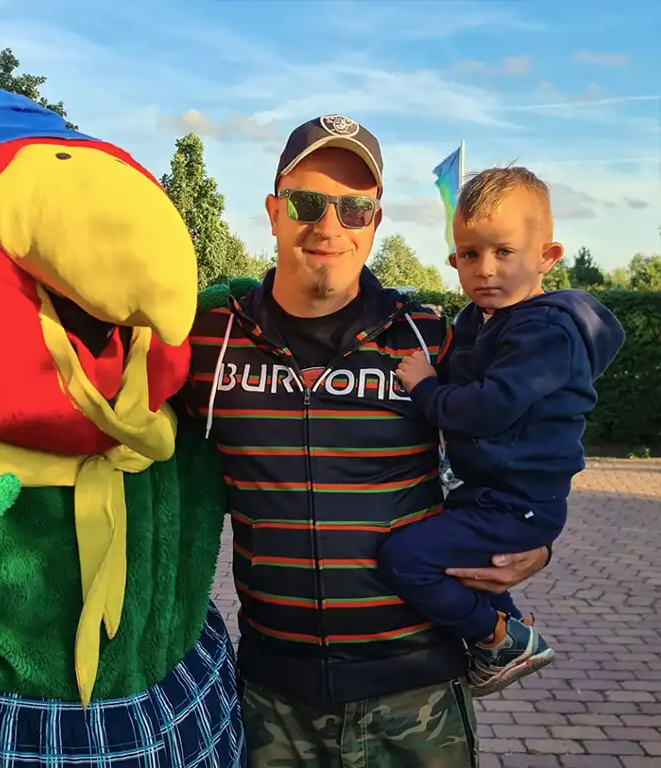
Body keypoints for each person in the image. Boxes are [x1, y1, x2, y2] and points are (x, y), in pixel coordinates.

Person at [180, 115, 551, 767]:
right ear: (273, 212)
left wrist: (535, 539)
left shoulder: (429, 336)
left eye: (354, 210)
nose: (329, 227)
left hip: (418, 697)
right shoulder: (208, 340)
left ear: (375, 223)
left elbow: (515, 447)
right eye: (307, 203)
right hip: (274, 701)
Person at [380, 166, 625, 698]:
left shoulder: (547, 330)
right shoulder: (480, 319)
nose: (485, 269)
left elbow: (490, 408)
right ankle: (505, 637)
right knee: (464, 568)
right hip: (488, 495)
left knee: (407, 557)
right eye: (469, 254)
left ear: (547, 256)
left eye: (504, 252)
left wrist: (424, 389)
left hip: (516, 506)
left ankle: (499, 640)